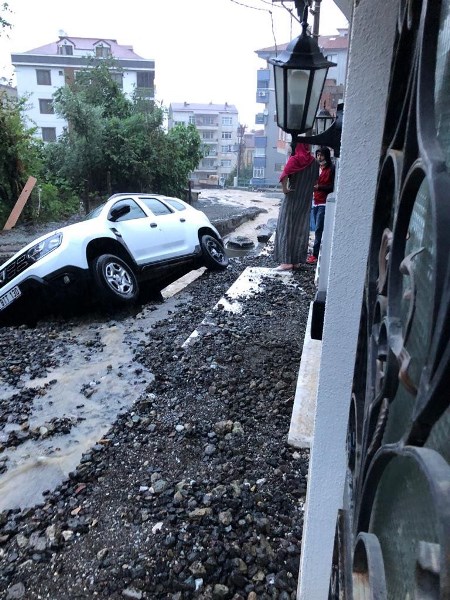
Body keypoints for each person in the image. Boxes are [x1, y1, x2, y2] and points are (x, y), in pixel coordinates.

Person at [274, 141, 318, 270]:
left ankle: (286, 262)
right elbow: (315, 181)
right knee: (301, 229)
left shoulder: (295, 159)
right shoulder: (314, 162)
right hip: (305, 200)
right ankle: (297, 261)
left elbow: (284, 176)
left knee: (285, 227)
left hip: (292, 199)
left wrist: (285, 189)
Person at [306, 146, 335, 265]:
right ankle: (315, 253)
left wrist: (319, 187)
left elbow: (332, 186)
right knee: (316, 229)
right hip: (315, 202)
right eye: (318, 155)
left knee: (318, 229)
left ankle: (315, 255)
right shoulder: (316, 168)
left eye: (321, 155)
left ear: (326, 156)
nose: (319, 157)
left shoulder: (331, 169)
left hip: (324, 203)